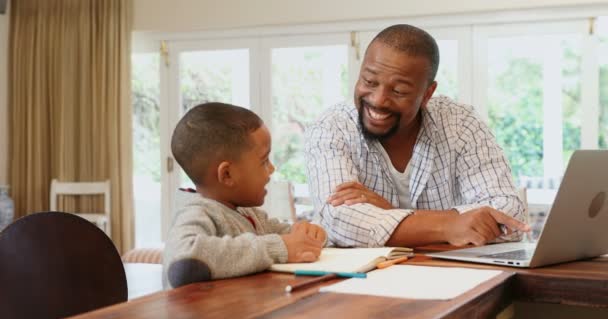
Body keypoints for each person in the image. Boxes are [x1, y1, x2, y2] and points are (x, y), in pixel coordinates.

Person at [305, 24, 530, 249]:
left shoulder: (461, 124)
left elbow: (509, 214)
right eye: (369, 82)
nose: (378, 100)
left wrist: (391, 213)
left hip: (450, 274)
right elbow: (340, 222)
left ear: (427, 94)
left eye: (399, 91)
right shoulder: (331, 127)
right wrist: (448, 226)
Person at [164, 102, 326, 289]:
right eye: (264, 161)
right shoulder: (197, 212)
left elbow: (286, 236)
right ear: (227, 175)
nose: (272, 169)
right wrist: (279, 248)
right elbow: (183, 262)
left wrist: (310, 236)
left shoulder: (248, 213)